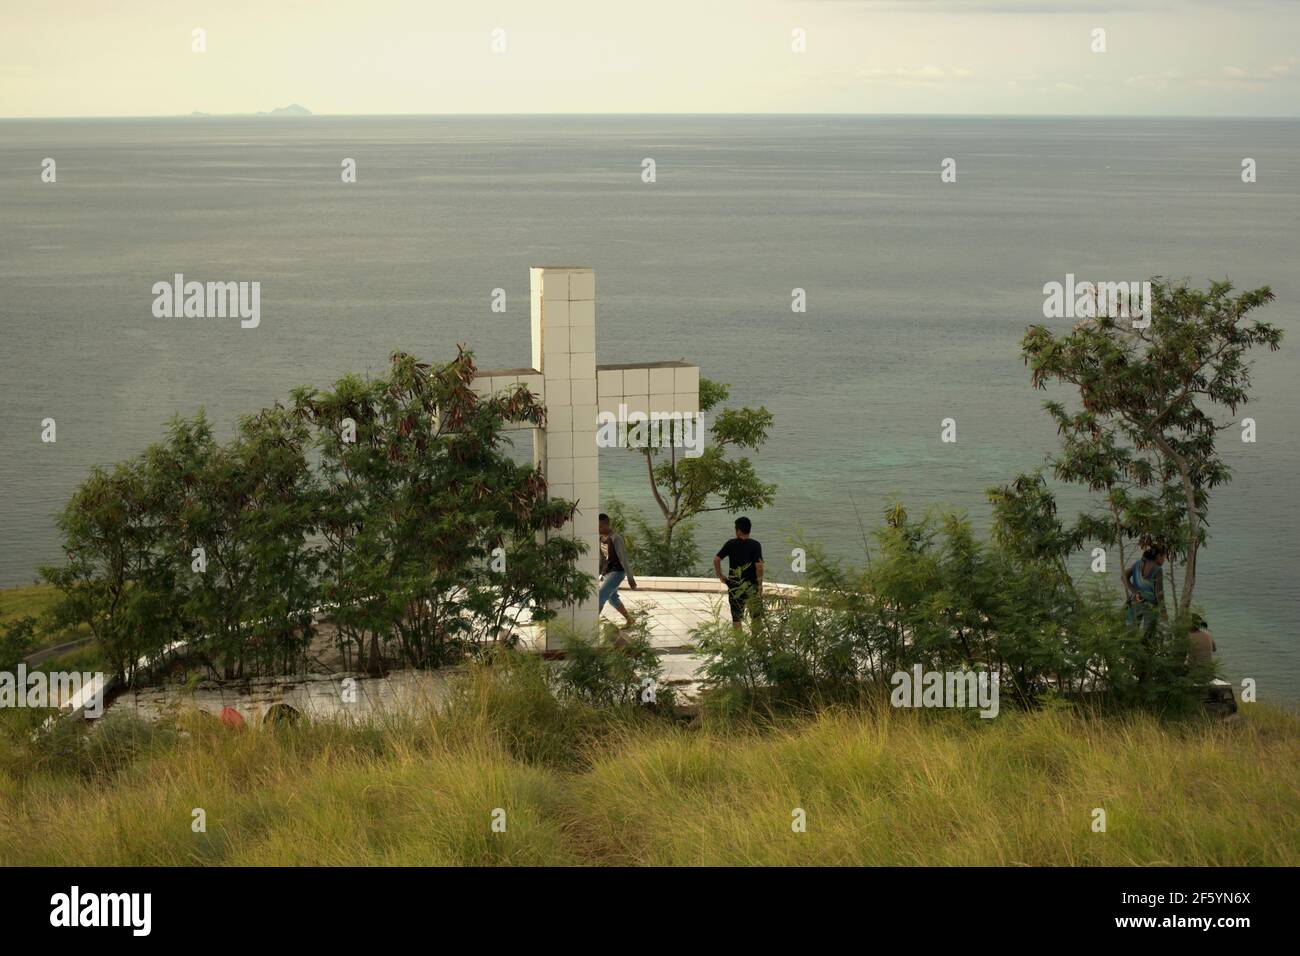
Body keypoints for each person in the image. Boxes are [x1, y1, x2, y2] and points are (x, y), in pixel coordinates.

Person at [713, 516, 764, 628]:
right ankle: (756, 642)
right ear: (749, 530)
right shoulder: (755, 545)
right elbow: (759, 566)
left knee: (737, 618)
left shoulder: (730, 544)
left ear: (738, 530)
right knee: (755, 616)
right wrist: (760, 585)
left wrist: (720, 575)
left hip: (735, 586)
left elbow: (717, 559)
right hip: (752, 585)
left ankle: (739, 644)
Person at [598, 513, 637, 627]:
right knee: (612, 598)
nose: (598, 529)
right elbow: (604, 558)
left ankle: (591, 628)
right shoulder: (601, 538)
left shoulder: (616, 538)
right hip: (608, 572)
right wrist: (601, 573)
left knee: (601, 596)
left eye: (600, 526)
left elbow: (623, 558)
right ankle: (630, 619)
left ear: (607, 525)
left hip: (617, 572)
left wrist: (630, 578)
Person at [1123, 545, 1166, 632]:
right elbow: (1159, 594)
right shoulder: (1157, 570)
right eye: (1164, 557)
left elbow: (1123, 577)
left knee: (1130, 634)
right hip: (1150, 607)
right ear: (1158, 556)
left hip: (1135, 602)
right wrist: (1164, 612)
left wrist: (1134, 592)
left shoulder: (1137, 564)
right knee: (1148, 637)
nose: (1164, 560)